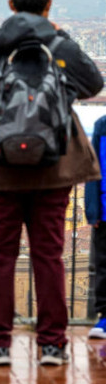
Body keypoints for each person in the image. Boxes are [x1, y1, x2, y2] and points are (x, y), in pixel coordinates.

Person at [0, 0, 103, 367]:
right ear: (49, 5)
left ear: (11, 5)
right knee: (49, 255)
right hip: (53, 168)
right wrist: (59, 38)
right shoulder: (58, 46)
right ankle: (52, 345)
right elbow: (93, 84)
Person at [82, 112, 106, 339]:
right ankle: (105, 316)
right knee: (103, 266)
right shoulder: (102, 125)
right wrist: (93, 211)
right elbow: (93, 168)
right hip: (105, 213)